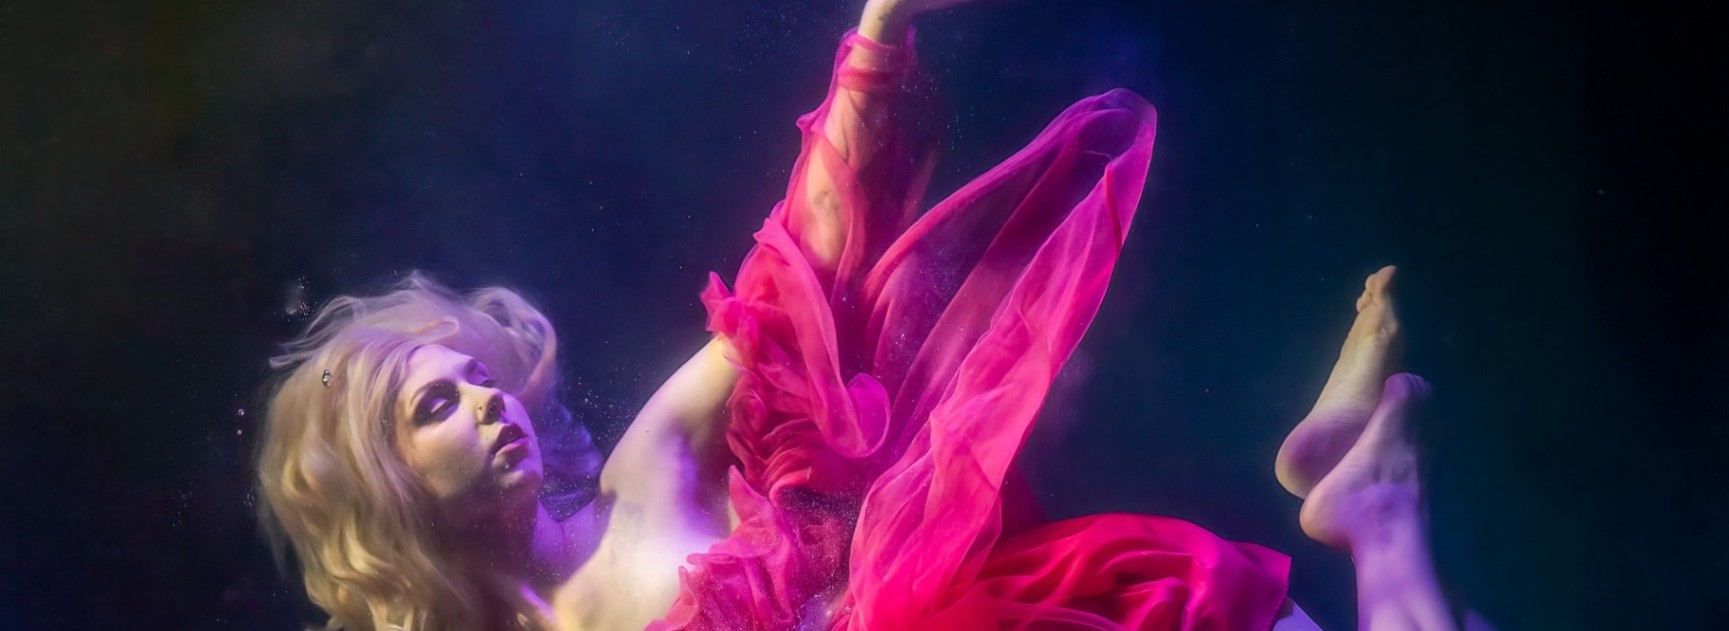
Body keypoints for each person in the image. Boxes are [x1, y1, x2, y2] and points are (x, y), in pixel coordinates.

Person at [255, 0, 1478, 629]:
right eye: (436, 405)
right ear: (385, 492)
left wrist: (877, 32)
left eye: (477, 378)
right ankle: (1374, 509)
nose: (488, 401)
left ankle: (1376, 509)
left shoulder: (642, 478)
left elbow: (787, 279)